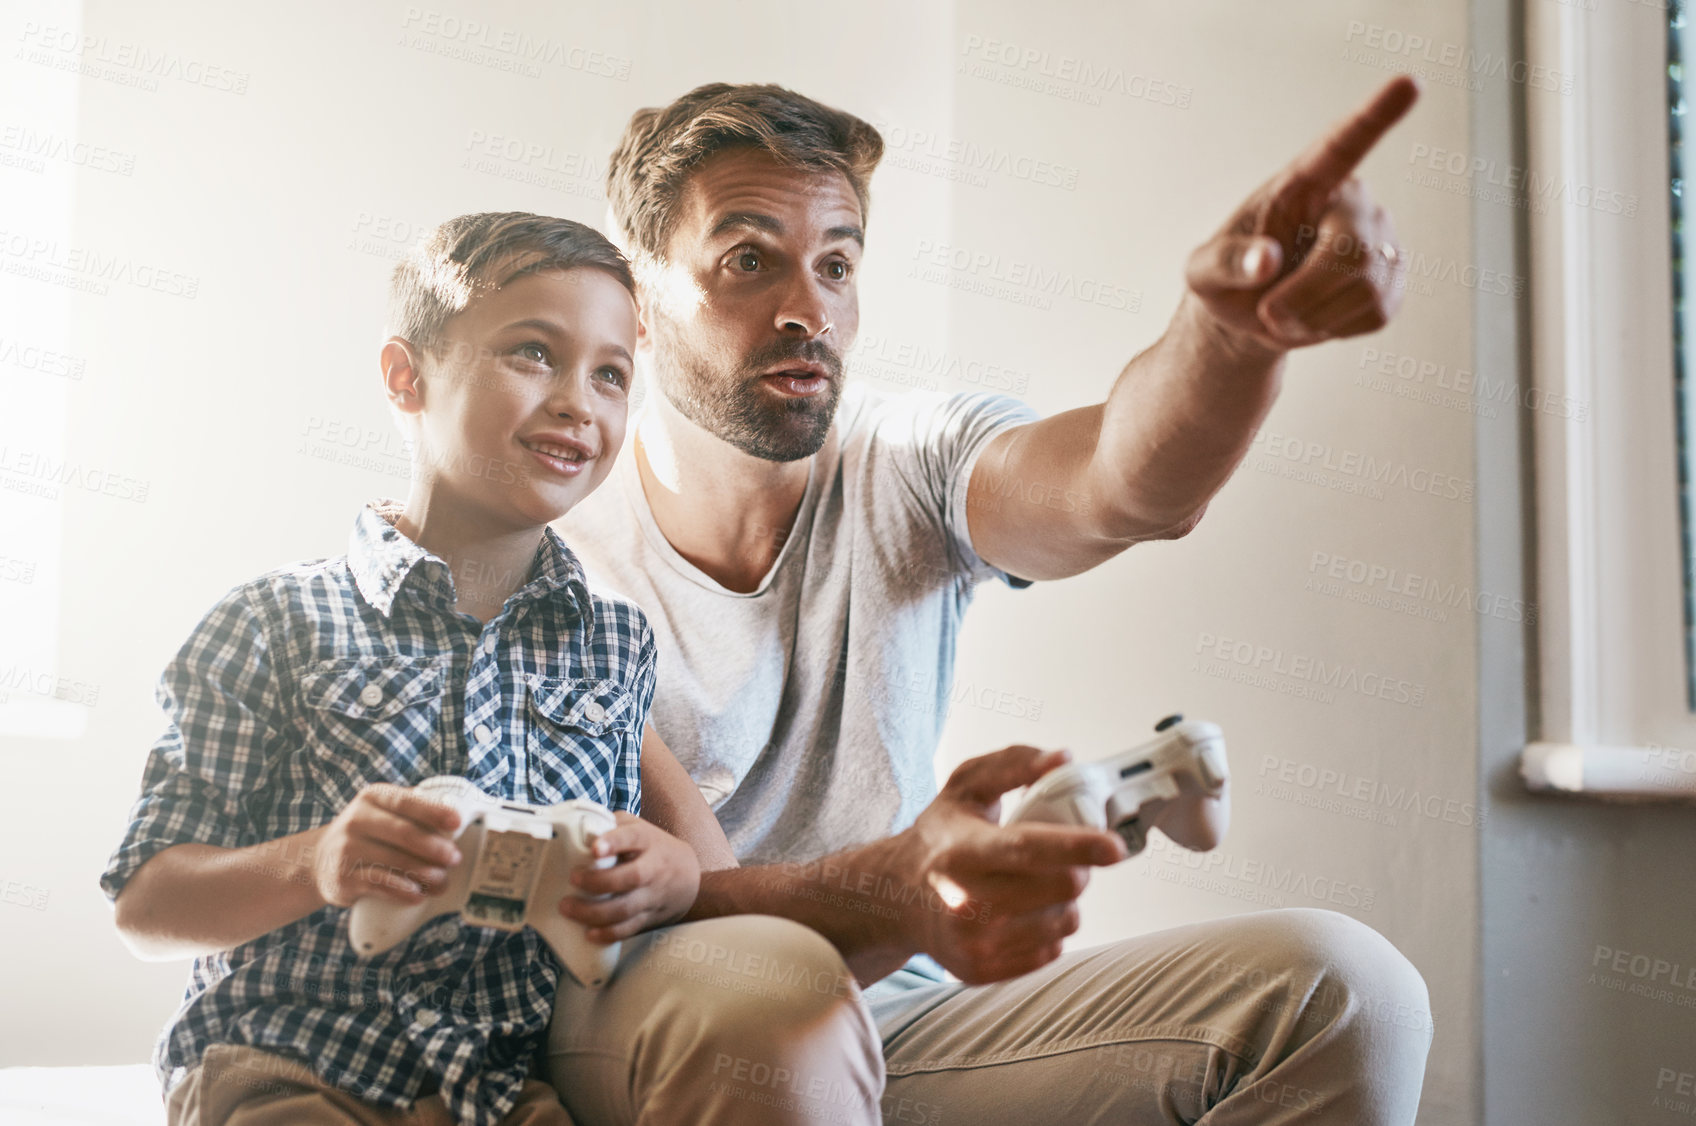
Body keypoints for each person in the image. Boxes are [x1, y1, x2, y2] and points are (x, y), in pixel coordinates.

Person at [544, 79, 1436, 1125]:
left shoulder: (907, 456)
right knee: (767, 992)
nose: (809, 310)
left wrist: (1230, 339)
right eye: (747, 261)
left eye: (835, 263)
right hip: (653, 1018)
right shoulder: (548, 542)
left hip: (898, 1004)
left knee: (1342, 992)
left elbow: (1118, 482)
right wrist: (903, 889)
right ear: (636, 303)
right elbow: (648, 898)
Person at [100, 213, 736, 1126]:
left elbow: (712, 883)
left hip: (509, 1087)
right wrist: (318, 859)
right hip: (293, 1065)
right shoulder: (272, 622)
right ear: (407, 377)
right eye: (532, 353)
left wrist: (667, 875)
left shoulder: (612, 645)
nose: (577, 403)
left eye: (610, 375)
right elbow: (146, 906)